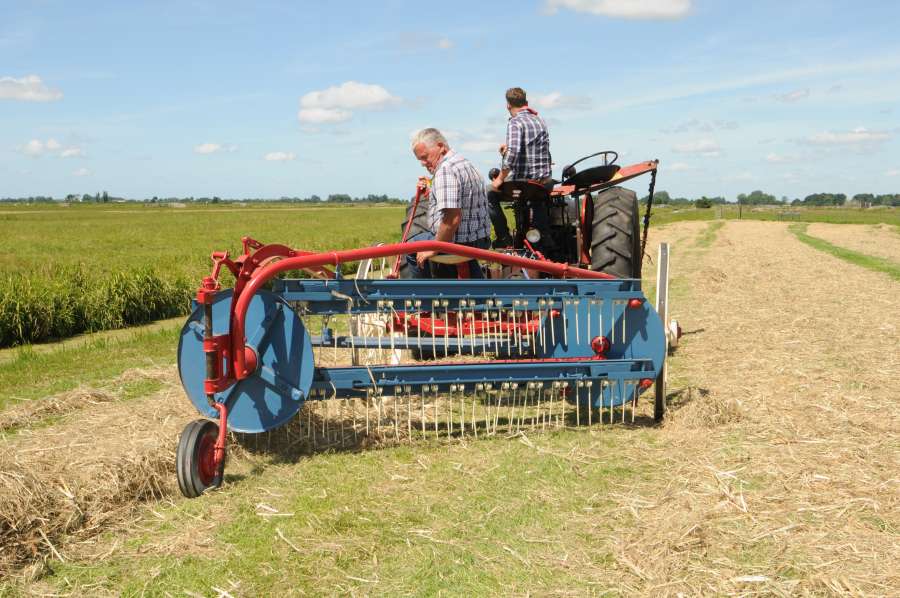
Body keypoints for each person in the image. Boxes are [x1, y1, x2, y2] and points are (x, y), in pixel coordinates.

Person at [407, 128, 491, 278]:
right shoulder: (465, 163)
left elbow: (452, 219)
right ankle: (479, 291)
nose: (422, 163)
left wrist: (434, 249)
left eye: (425, 157)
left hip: (460, 242)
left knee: (410, 248)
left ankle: (423, 298)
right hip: (478, 240)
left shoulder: (445, 170)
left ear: (441, 146)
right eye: (420, 159)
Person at [488, 87, 553, 249]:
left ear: (508, 106)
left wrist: (500, 179)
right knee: (538, 201)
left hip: (524, 183)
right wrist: (509, 148)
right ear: (526, 103)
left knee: (489, 193)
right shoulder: (541, 121)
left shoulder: (515, 122)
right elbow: (535, 148)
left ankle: (504, 238)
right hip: (544, 183)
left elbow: (513, 154)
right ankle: (542, 236)